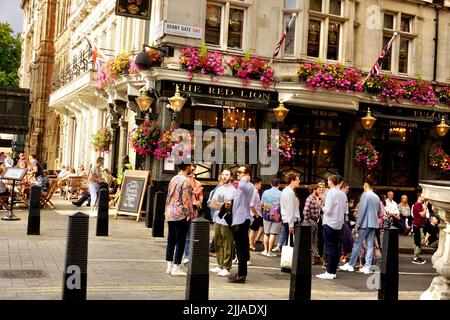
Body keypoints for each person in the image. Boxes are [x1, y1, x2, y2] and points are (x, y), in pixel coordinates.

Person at [340, 182, 381, 274]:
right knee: (370, 245)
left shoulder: (365, 195)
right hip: (373, 223)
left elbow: (362, 211)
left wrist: (357, 224)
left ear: (366, 186)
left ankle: (351, 264)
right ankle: (367, 266)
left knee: (357, 244)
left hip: (364, 223)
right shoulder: (376, 197)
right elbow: (379, 211)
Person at [165, 163, 193, 277]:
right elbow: (186, 199)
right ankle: (176, 266)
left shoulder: (173, 179)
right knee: (181, 240)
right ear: (187, 167)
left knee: (171, 239)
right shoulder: (186, 181)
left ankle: (169, 265)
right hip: (180, 213)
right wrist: (189, 212)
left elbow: (168, 196)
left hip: (170, 212)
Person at [316, 175, 347, 280]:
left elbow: (327, 210)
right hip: (339, 224)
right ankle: (332, 271)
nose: (327, 182)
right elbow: (344, 210)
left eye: (328, 180)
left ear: (331, 182)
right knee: (335, 248)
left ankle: (329, 271)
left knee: (330, 248)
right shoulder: (343, 194)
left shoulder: (330, 193)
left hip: (329, 223)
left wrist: (321, 206)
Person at [227, 166, 254, 284]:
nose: (237, 174)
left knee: (241, 249)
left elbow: (242, 185)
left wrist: (244, 178)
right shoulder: (242, 186)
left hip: (242, 220)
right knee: (240, 249)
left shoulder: (248, 185)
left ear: (247, 174)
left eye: (240, 172)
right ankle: (241, 273)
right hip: (238, 219)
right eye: (237, 172)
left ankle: (242, 275)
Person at [209, 170, 236, 277]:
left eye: (227, 175)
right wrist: (223, 205)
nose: (224, 177)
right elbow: (211, 203)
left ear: (231, 177)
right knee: (218, 243)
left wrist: (220, 205)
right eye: (223, 175)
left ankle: (226, 267)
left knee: (227, 243)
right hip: (217, 219)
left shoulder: (233, 190)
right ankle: (219, 265)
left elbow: (229, 207)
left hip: (226, 220)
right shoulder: (219, 188)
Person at [183, 163, 203, 265]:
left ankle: (186, 256)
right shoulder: (182, 182)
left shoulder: (198, 184)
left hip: (193, 213)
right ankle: (181, 255)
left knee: (189, 236)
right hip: (182, 213)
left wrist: (197, 204)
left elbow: (200, 200)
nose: (192, 173)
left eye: (193, 170)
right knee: (181, 236)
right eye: (191, 170)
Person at [261, 178, 282, 257]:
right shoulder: (281, 193)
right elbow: (282, 205)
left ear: (271, 184)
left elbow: (262, 204)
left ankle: (265, 250)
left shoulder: (265, 192)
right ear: (279, 184)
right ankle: (269, 252)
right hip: (276, 213)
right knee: (273, 233)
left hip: (267, 212)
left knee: (266, 233)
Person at [303, 184, 322, 264]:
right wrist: (307, 221)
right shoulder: (310, 198)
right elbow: (305, 210)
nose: (320, 190)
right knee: (310, 240)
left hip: (314, 221)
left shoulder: (315, 198)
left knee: (314, 240)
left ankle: (314, 258)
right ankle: (309, 259)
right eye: (318, 189)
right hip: (311, 221)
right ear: (314, 190)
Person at [412, 194, 428, 264]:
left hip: (419, 225)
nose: (425, 198)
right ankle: (415, 257)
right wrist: (425, 207)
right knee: (419, 241)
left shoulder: (420, 204)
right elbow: (423, 214)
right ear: (419, 197)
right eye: (423, 197)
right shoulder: (418, 204)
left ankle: (416, 256)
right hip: (418, 226)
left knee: (417, 241)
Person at [249, 177, 263, 251]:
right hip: (254, 214)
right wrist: (256, 214)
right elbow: (251, 205)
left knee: (262, 225)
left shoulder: (256, 191)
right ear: (256, 184)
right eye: (260, 184)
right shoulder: (254, 192)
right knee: (253, 230)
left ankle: (256, 240)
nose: (261, 185)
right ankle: (251, 245)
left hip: (258, 213)